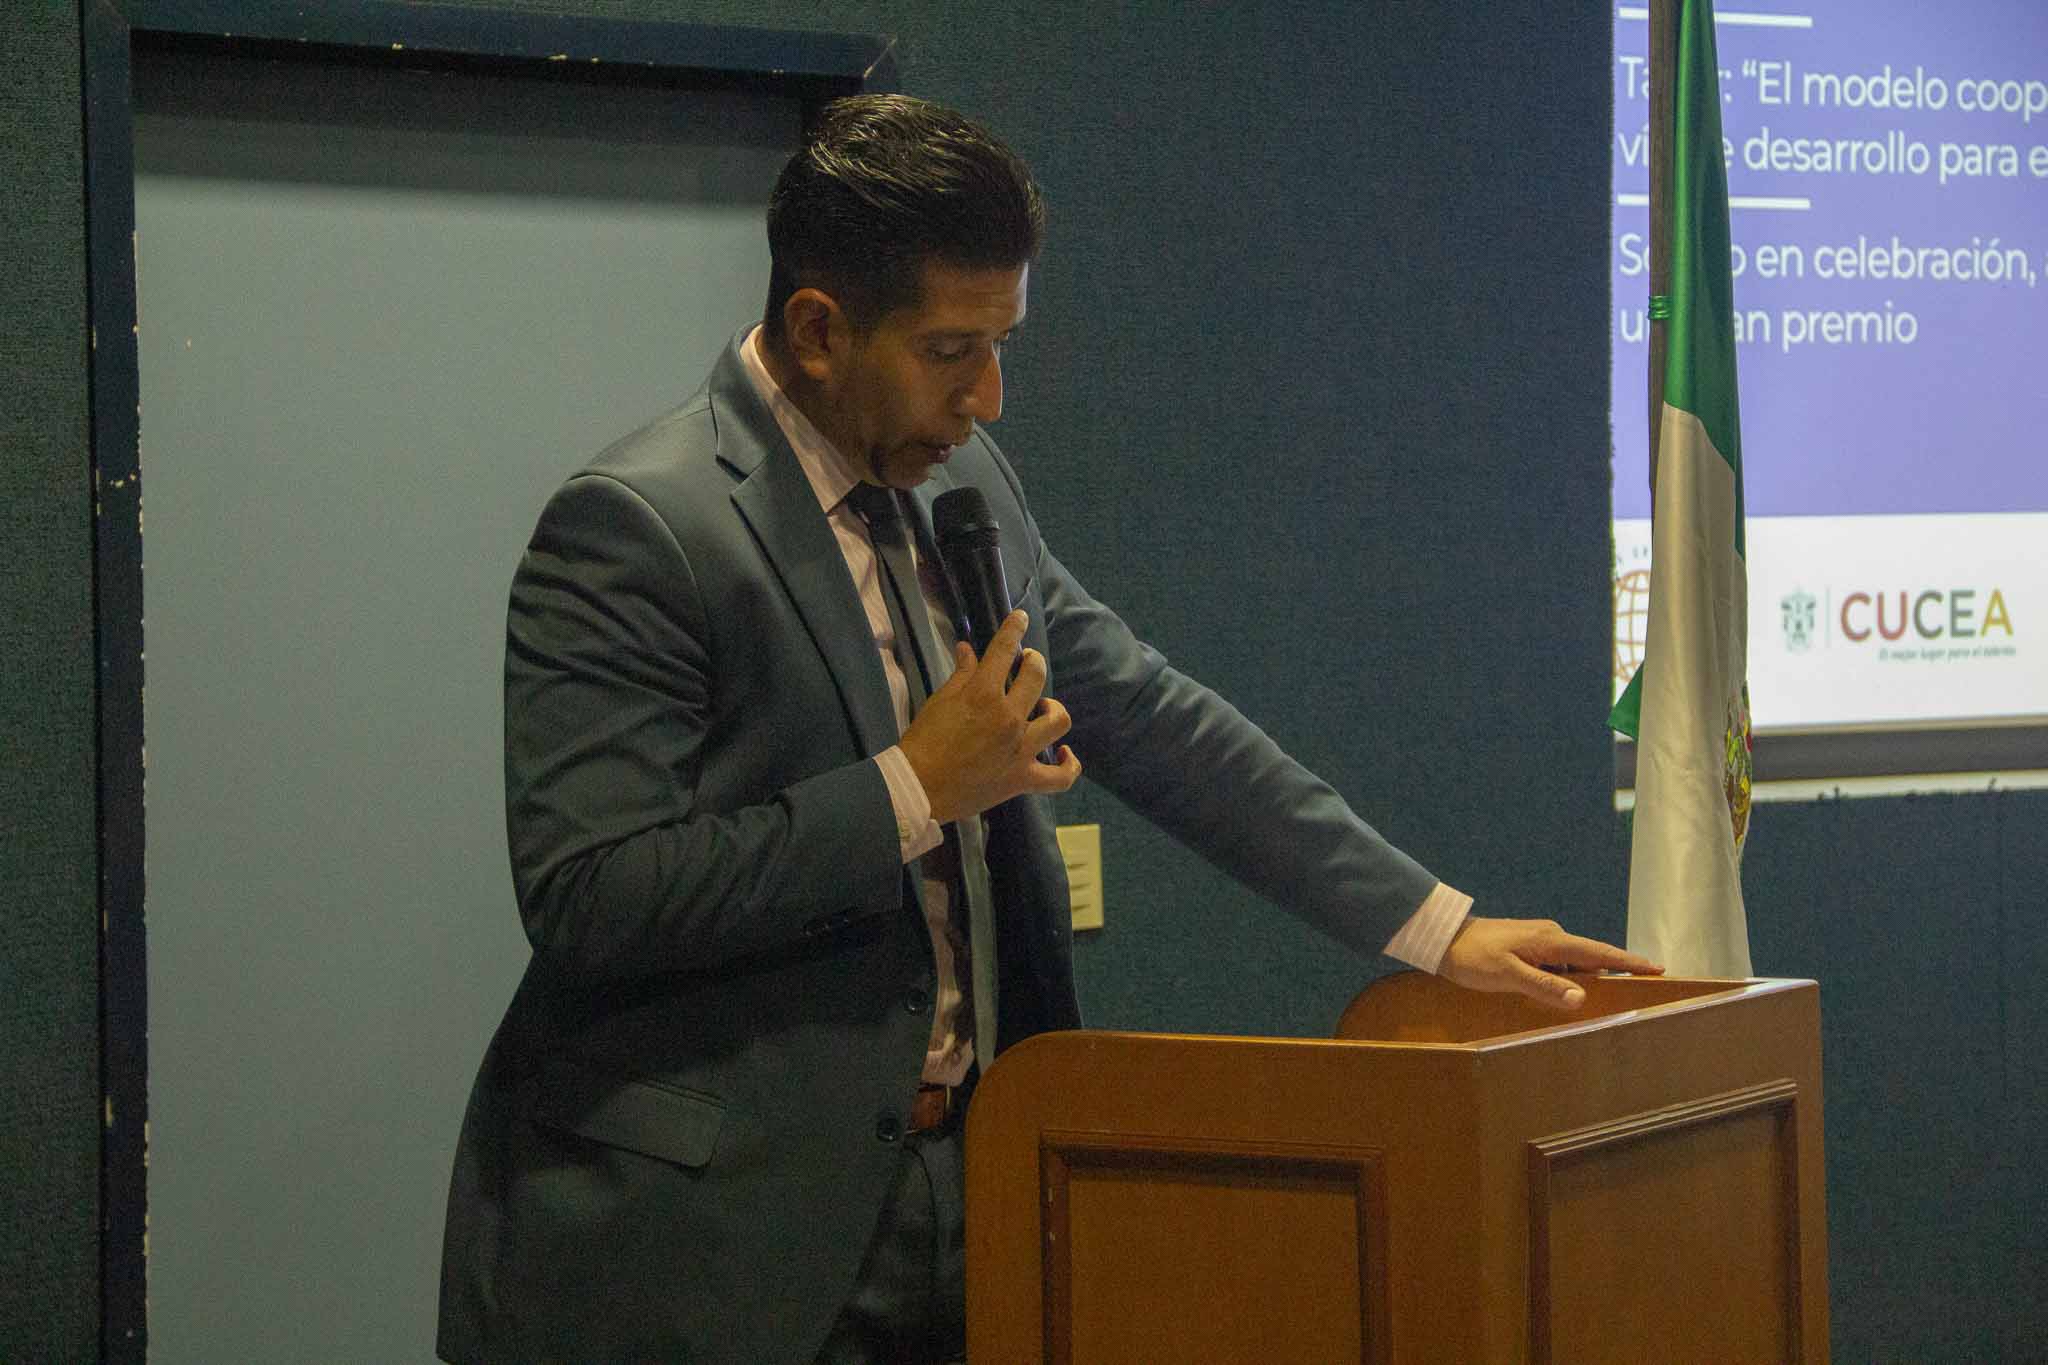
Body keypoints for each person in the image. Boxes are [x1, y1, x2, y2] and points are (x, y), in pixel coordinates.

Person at [435, 94, 1658, 1365]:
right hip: (718, 1240)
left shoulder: (960, 480)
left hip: (975, 1186)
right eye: (949, 350)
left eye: (1001, 343)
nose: (990, 396)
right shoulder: (639, 528)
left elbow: (1146, 714)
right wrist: (912, 788)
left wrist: (1433, 926)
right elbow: (590, 895)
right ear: (816, 330)